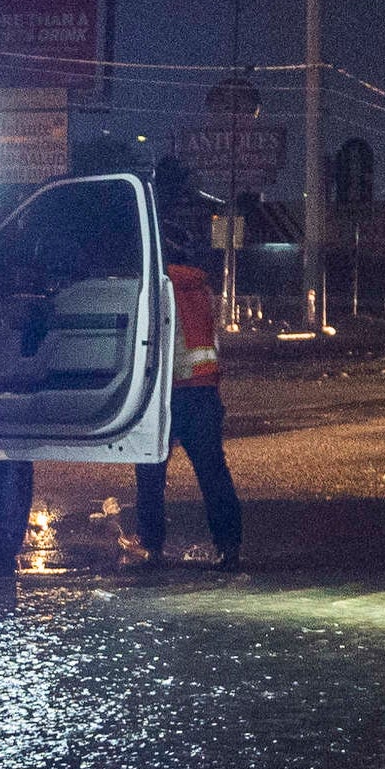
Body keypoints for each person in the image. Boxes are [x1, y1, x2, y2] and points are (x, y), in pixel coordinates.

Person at [135, 240, 242, 573]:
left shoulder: (157, 285)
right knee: (213, 473)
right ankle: (229, 546)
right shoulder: (199, 288)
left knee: (150, 473)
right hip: (203, 391)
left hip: (165, 394)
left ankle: (152, 547)